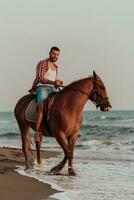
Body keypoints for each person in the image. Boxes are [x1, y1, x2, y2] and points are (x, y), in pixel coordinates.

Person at [29, 47, 63, 141]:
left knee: (64, 101)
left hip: (53, 89)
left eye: (57, 55)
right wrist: (53, 83)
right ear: (49, 53)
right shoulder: (43, 63)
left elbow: (53, 81)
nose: (55, 56)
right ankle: (37, 132)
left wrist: (57, 84)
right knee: (42, 106)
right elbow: (40, 77)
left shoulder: (56, 67)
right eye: (53, 54)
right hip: (42, 87)